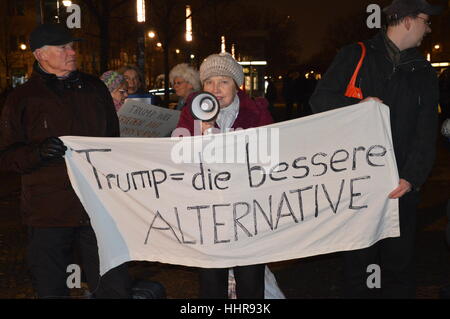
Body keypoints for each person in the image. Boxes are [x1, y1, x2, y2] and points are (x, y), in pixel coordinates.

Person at [309, 0, 442, 298]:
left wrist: (411, 178)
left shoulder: (424, 72)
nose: (428, 28)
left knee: (399, 270)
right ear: (408, 21)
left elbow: (426, 132)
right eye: (425, 20)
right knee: (358, 270)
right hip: (357, 186)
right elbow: (320, 102)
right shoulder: (355, 55)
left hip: (400, 190)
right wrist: (359, 106)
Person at [0, 23, 132, 298]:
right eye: (63, 47)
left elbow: (112, 140)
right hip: (48, 211)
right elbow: (7, 155)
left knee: (113, 286)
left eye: (72, 46)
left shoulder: (94, 88)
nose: (72, 52)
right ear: (40, 55)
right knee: (51, 288)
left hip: (98, 208)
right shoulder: (22, 99)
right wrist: (37, 153)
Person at [175, 52, 273, 298]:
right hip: (210, 211)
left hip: (248, 210)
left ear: (237, 85)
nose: (215, 89)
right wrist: (201, 134)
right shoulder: (192, 111)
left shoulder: (256, 111)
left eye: (223, 81)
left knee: (250, 279)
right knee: (211, 280)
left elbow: (270, 156)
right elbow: (179, 155)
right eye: (209, 82)